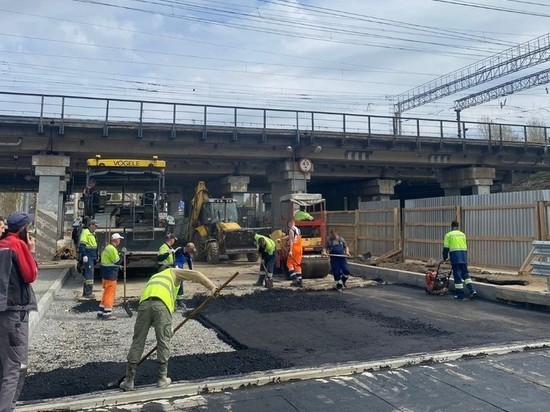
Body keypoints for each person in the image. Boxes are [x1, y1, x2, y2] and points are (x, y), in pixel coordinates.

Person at [119, 267, 218, 392]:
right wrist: (212, 287)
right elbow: (196, 275)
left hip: (144, 306)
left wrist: (168, 327)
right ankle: (162, 379)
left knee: (137, 341)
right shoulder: (173, 272)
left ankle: (129, 381)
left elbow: (153, 309)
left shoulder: (155, 278)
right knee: (163, 341)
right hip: (161, 306)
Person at [0, 211, 38, 411]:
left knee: (3, 365)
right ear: (23, 229)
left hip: (2, 311)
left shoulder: (1, 245)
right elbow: (30, 275)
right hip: (14, 312)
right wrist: (31, 252)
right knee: (16, 366)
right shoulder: (17, 245)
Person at [442, 220, 477, 300]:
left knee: (457, 275)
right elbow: (464, 246)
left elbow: (446, 248)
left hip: (455, 257)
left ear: (451, 227)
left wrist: (444, 258)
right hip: (463, 256)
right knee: (465, 275)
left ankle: (460, 294)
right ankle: (472, 290)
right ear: (458, 227)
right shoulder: (463, 235)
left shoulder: (448, 235)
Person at [97, 233, 125, 320]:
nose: (120, 241)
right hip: (110, 274)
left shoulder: (107, 247)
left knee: (105, 293)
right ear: (116, 240)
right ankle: (107, 313)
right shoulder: (112, 249)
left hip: (105, 274)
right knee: (110, 293)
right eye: (119, 239)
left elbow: (109, 261)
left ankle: (101, 311)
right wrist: (123, 254)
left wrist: (117, 265)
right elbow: (117, 261)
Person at [278, 218, 303, 287]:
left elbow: (291, 240)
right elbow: (290, 237)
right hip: (300, 248)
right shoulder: (298, 230)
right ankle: (300, 280)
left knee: (289, 263)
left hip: (294, 248)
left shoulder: (291, 230)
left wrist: (291, 251)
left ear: (290, 223)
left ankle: (295, 279)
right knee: (297, 264)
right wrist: (281, 239)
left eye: (288, 224)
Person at [78, 219, 99, 299]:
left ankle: (88, 292)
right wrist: (84, 255)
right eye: (95, 226)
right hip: (88, 256)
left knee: (90, 275)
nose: (96, 227)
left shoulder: (92, 233)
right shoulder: (86, 232)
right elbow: (82, 245)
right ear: (91, 225)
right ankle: (87, 293)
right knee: (89, 275)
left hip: (92, 256)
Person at [174, 242, 197, 309]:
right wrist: (175, 265)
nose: (191, 252)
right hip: (174, 269)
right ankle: (174, 300)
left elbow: (190, 263)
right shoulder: (179, 250)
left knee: (180, 285)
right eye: (191, 250)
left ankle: (179, 301)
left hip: (180, 271)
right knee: (174, 285)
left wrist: (192, 272)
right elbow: (173, 257)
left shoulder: (188, 255)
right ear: (188, 248)